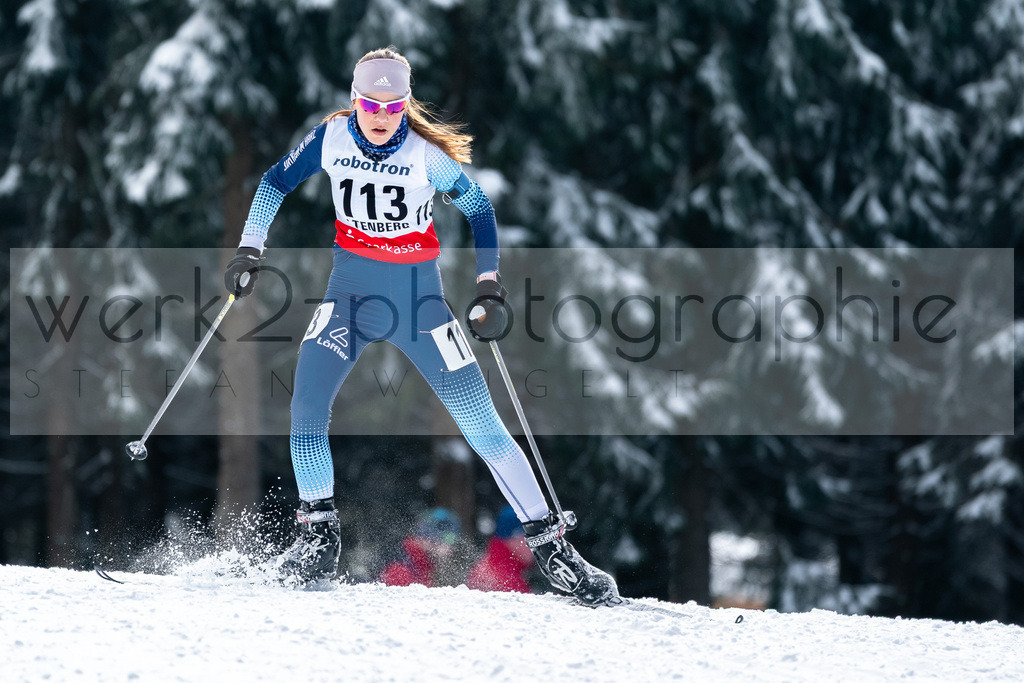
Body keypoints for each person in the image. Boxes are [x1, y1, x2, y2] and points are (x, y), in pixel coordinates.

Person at [224, 46, 619, 605]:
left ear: (406, 105)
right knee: (306, 404)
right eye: (370, 103)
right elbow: (272, 185)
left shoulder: (425, 155)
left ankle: (554, 549)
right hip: (349, 297)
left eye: (393, 105)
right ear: (354, 102)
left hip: (419, 302)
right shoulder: (329, 140)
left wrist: (488, 284)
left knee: (482, 426)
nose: (381, 115)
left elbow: (479, 209)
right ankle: (317, 536)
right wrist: (249, 249)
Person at [379, 508, 463, 588]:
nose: (452, 548)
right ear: (432, 539)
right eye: (449, 539)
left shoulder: (421, 563)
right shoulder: (400, 571)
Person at [466, 505, 534, 594]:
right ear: (512, 538)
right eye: (530, 537)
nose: (534, 544)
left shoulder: (500, 567)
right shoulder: (504, 580)